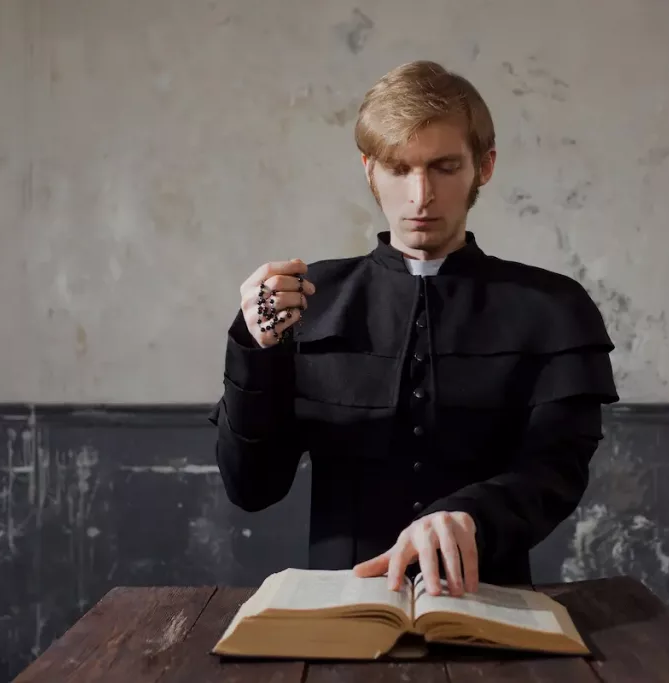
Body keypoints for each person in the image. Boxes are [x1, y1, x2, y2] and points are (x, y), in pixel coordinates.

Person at [208, 60, 619, 598]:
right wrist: (256, 349)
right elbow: (252, 487)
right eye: (400, 168)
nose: (420, 195)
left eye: (445, 167)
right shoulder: (307, 303)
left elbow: (555, 471)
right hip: (340, 610)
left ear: (484, 166)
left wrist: (470, 514)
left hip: (490, 608)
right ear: (369, 170)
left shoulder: (554, 308)